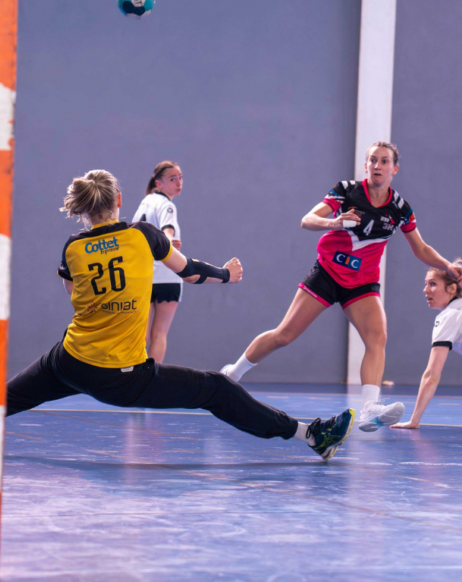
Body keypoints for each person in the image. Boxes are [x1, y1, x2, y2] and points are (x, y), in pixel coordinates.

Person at [0, 169, 354, 462]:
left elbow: (73, 294)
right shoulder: (144, 235)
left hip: (68, 360)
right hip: (122, 377)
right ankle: (310, 435)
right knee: (216, 389)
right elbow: (190, 272)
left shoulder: (73, 248)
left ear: (83, 208)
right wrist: (226, 274)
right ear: (119, 202)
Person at [221, 142, 462, 432]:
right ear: (366, 165)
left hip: (362, 283)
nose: (377, 166)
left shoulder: (400, 208)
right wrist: (335, 223)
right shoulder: (346, 191)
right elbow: (307, 220)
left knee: (377, 337)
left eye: (384, 161)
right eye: (373, 160)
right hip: (327, 273)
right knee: (284, 335)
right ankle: (231, 375)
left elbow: (420, 248)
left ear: (394, 169)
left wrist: (448, 267)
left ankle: (370, 408)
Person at [390, 260, 462, 430]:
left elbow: (431, 375)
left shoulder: (450, 315)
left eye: (433, 284)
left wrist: (414, 420)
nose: (426, 290)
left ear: (452, 288)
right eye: (426, 284)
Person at [133, 161, 185, 362]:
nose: (179, 183)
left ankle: (133, 375)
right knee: (159, 334)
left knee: (141, 335)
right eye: (172, 179)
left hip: (144, 276)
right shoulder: (167, 205)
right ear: (158, 183)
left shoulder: (145, 203)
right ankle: (152, 378)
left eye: (180, 177)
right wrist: (169, 240)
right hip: (167, 276)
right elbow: (167, 230)